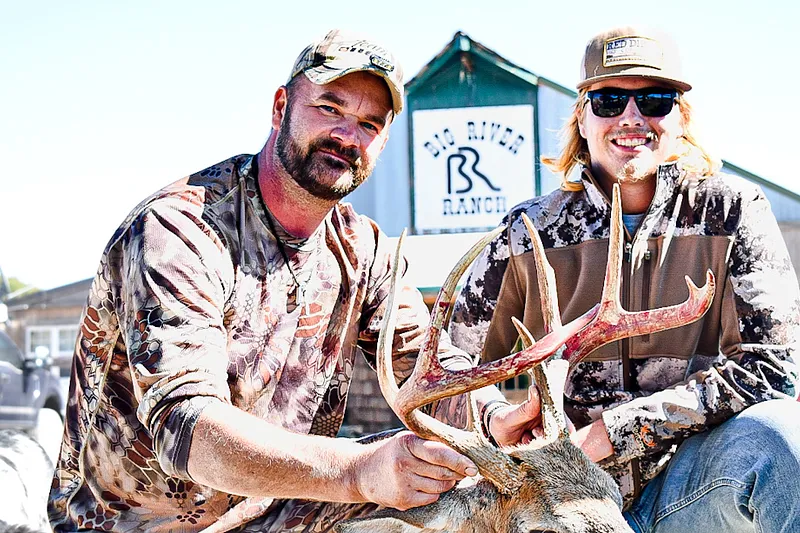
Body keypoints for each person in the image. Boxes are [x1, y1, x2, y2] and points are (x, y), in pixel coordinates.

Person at [47, 29, 539, 533]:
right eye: (329, 108)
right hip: (140, 525)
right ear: (280, 107)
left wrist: (492, 418)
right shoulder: (180, 231)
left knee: (458, 484)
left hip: (277, 511)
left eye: (369, 124)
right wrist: (357, 471)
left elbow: (423, 363)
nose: (347, 136)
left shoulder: (364, 250)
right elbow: (188, 428)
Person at [450, 26, 800, 532]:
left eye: (655, 100)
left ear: (681, 118)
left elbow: (774, 368)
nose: (631, 117)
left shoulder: (732, 212)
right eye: (609, 100)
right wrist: (492, 417)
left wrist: (613, 433)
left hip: (690, 486)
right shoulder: (529, 233)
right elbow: (451, 363)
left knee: (783, 438)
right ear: (582, 116)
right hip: (563, 499)